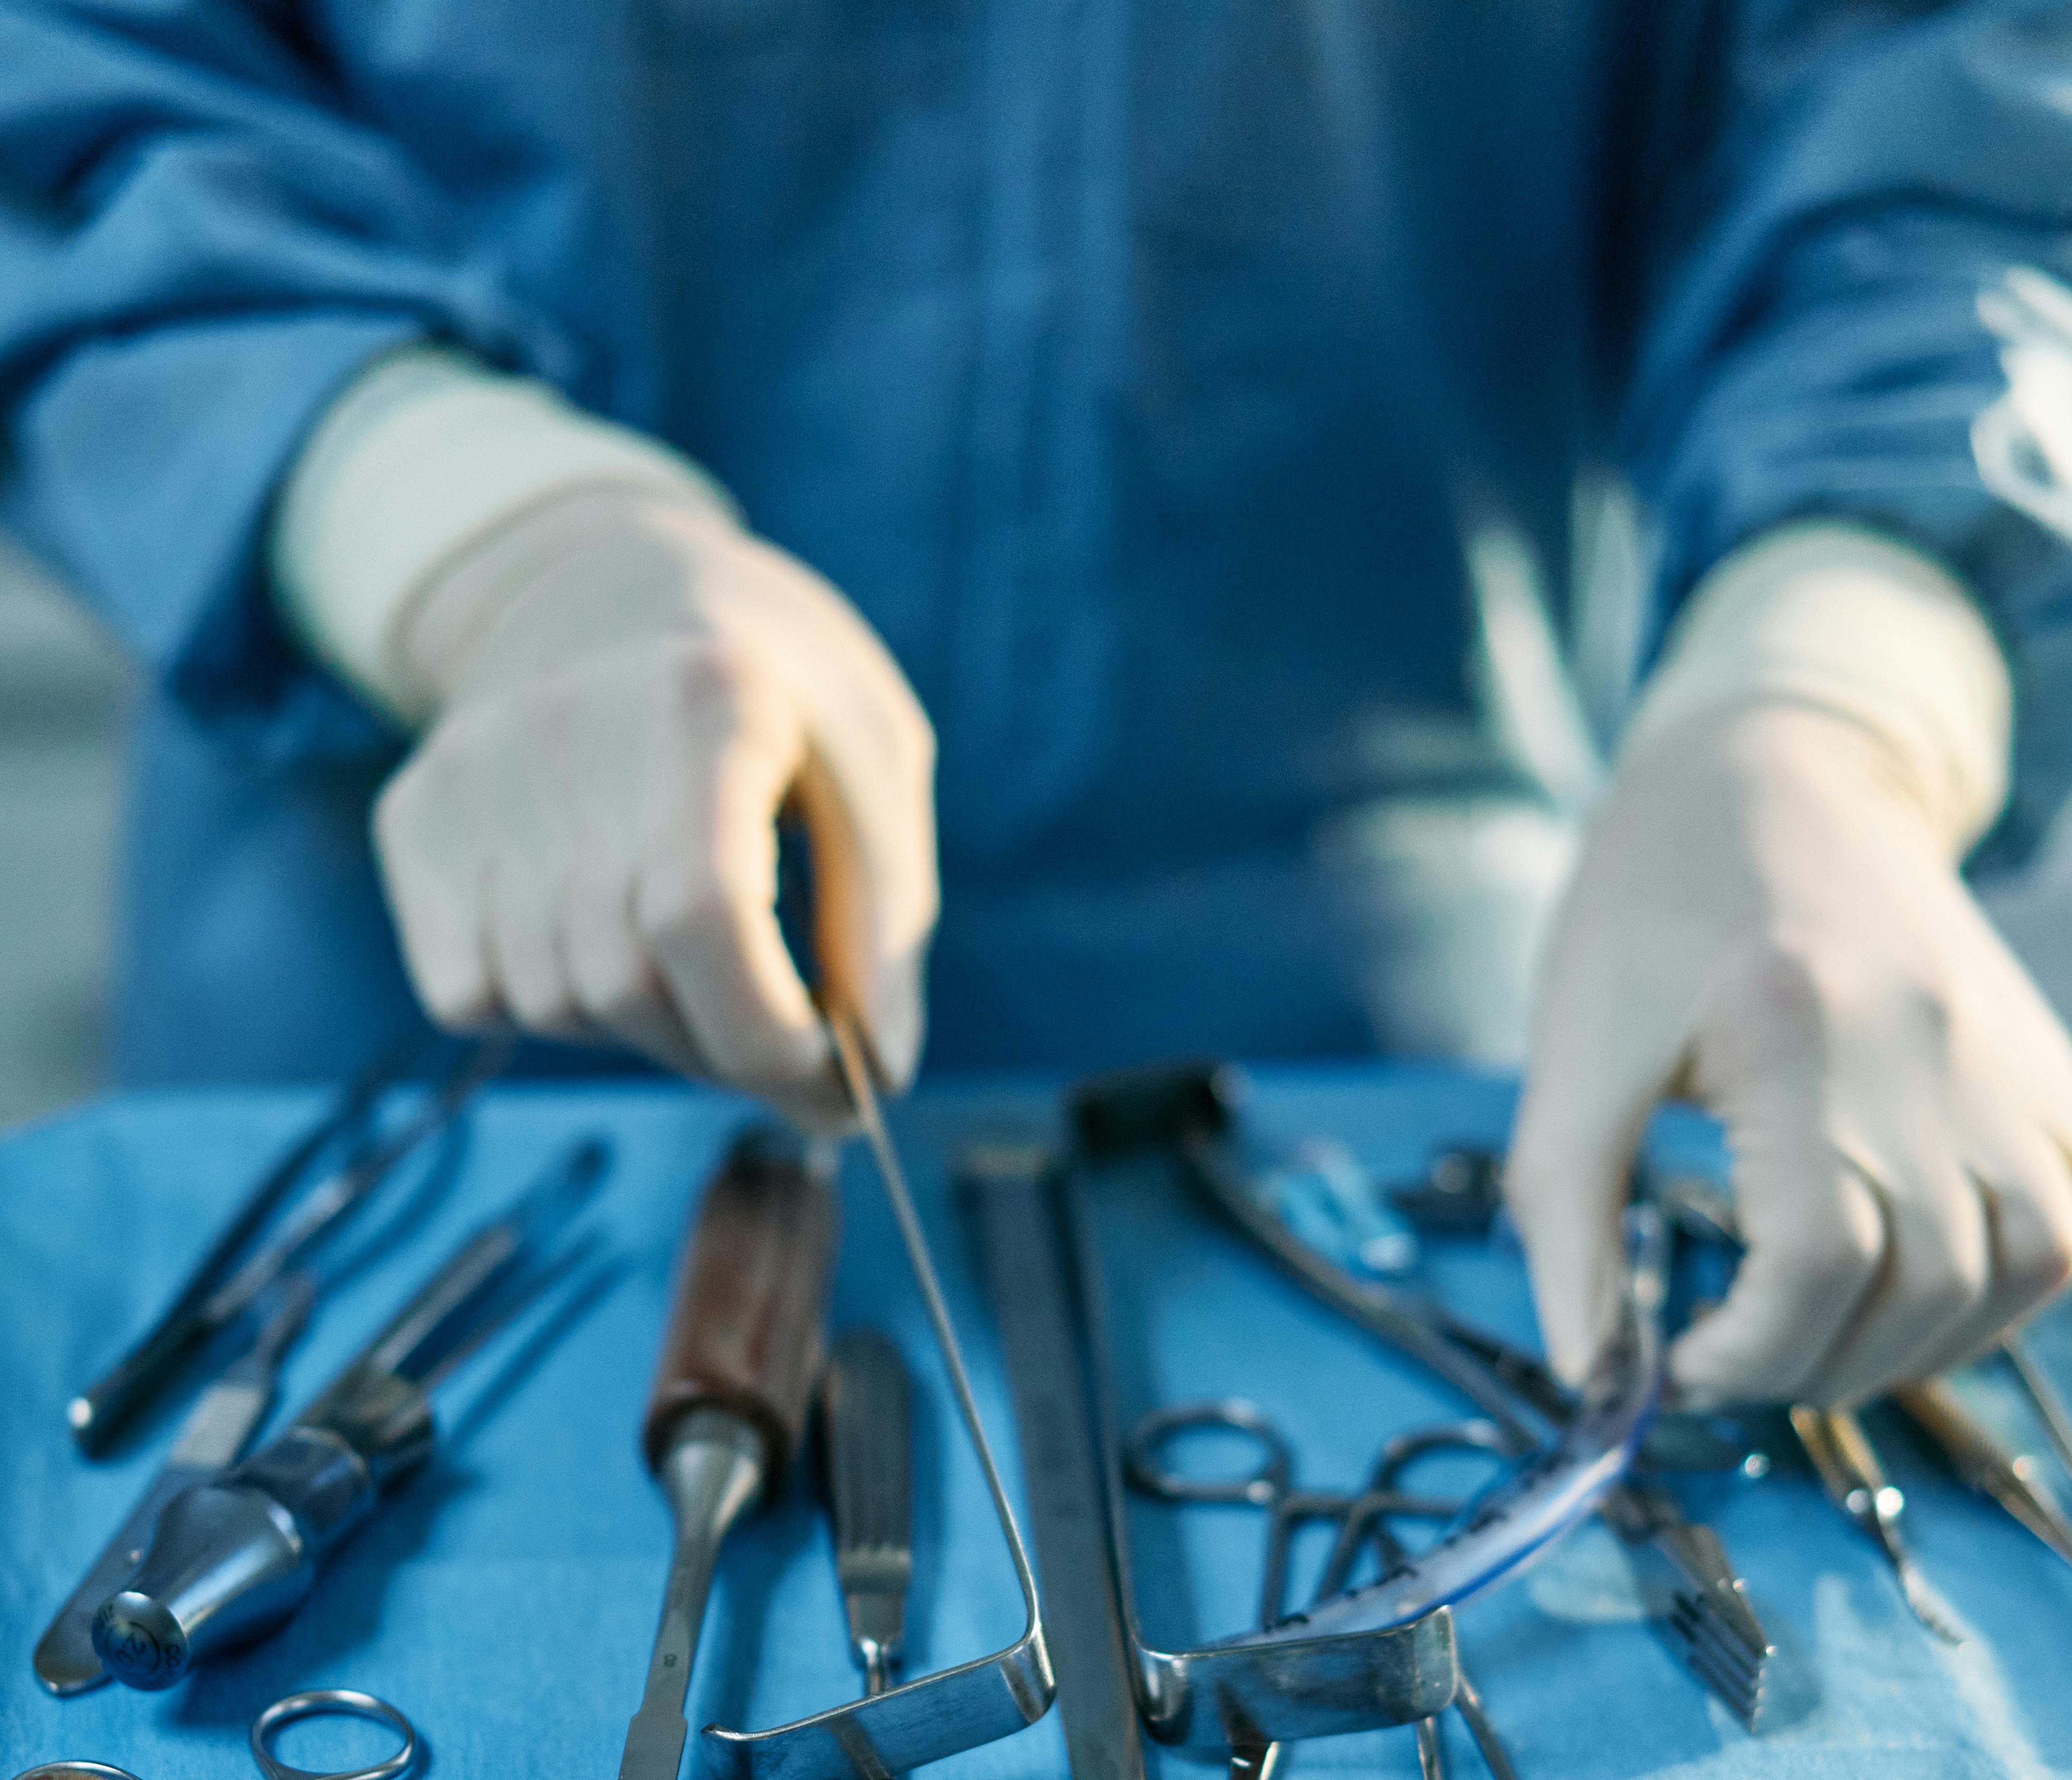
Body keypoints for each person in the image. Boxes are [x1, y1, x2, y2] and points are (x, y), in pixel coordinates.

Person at [2, 3, 2070, 1413]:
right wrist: (473, 538)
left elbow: (1944, 114)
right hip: (436, 1053)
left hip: (1381, 1064)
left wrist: (1836, 682)